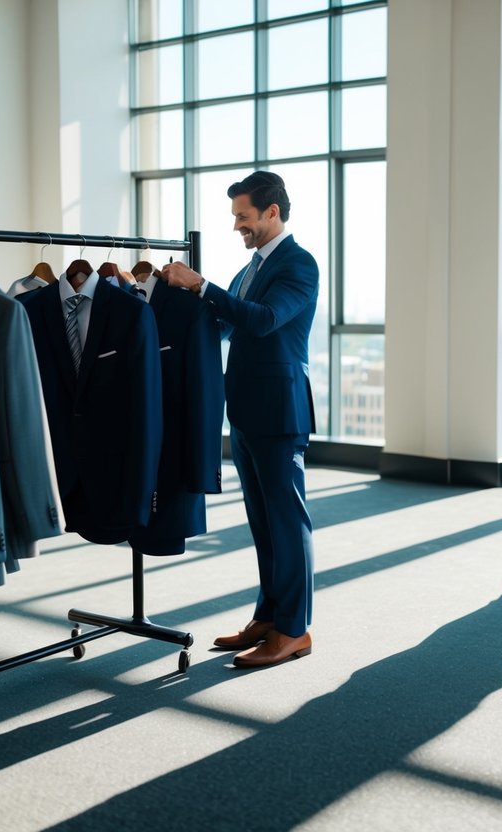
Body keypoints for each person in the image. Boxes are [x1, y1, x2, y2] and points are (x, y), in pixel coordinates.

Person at [161, 171, 319, 669]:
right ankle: (269, 616)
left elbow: (265, 319)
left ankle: (294, 630)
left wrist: (202, 283)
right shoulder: (250, 267)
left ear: (272, 212)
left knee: (287, 524)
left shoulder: (299, 264)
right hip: (248, 409)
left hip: (279, 411)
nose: (237, 226)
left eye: (243, 216)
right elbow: (227, 324)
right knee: (264, 523)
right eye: (234, 217)